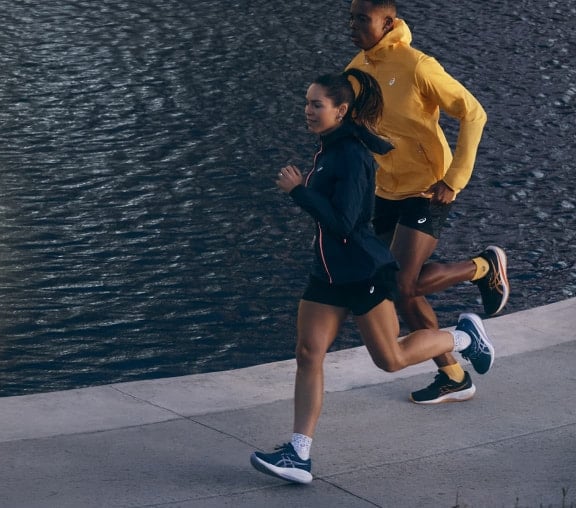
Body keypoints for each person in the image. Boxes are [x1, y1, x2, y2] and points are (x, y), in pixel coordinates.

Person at [248, 69, 495, 485]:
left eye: (317, 104)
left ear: (341, 110)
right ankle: (299, 454)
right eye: (307, 102)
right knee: (309, 353)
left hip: (363, 271)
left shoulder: (351, 156)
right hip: (326, 272)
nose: (308, 110)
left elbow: (346, 223)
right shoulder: (329, 149)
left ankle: (465, 338)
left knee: (391, 359)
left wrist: (299, 192)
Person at [346, 0, 509, 405]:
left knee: (403, 282)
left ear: (388, 22)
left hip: (428, 187)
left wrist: (454, 179)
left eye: (362, 19)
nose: (353, 26)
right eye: (350, 17)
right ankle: (454, 376)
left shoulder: (418, 65)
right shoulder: (355, 69)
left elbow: (473, 113)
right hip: (386, 189)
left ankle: (484, 267)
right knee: (399, 290)